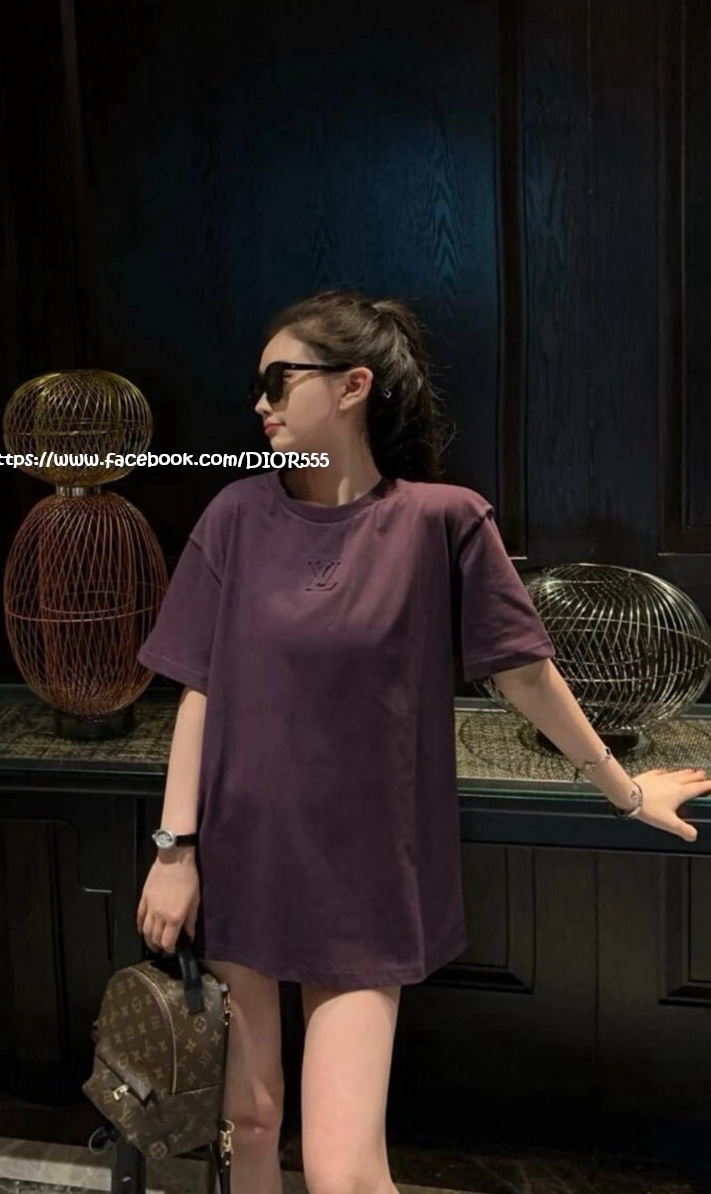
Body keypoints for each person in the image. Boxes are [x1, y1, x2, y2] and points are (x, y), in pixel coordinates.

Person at [133, 288, 711, 1194]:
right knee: (250, 1120)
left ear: (353, 385)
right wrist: (176, 849)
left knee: (342, 1171)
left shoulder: (442, 521)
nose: (260, 404)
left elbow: (526, 675)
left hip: (365, 874)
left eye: (280, 382)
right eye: (258, 386)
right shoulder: (236, 516)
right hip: (242, 857)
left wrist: (627, 791)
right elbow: (198, 689)